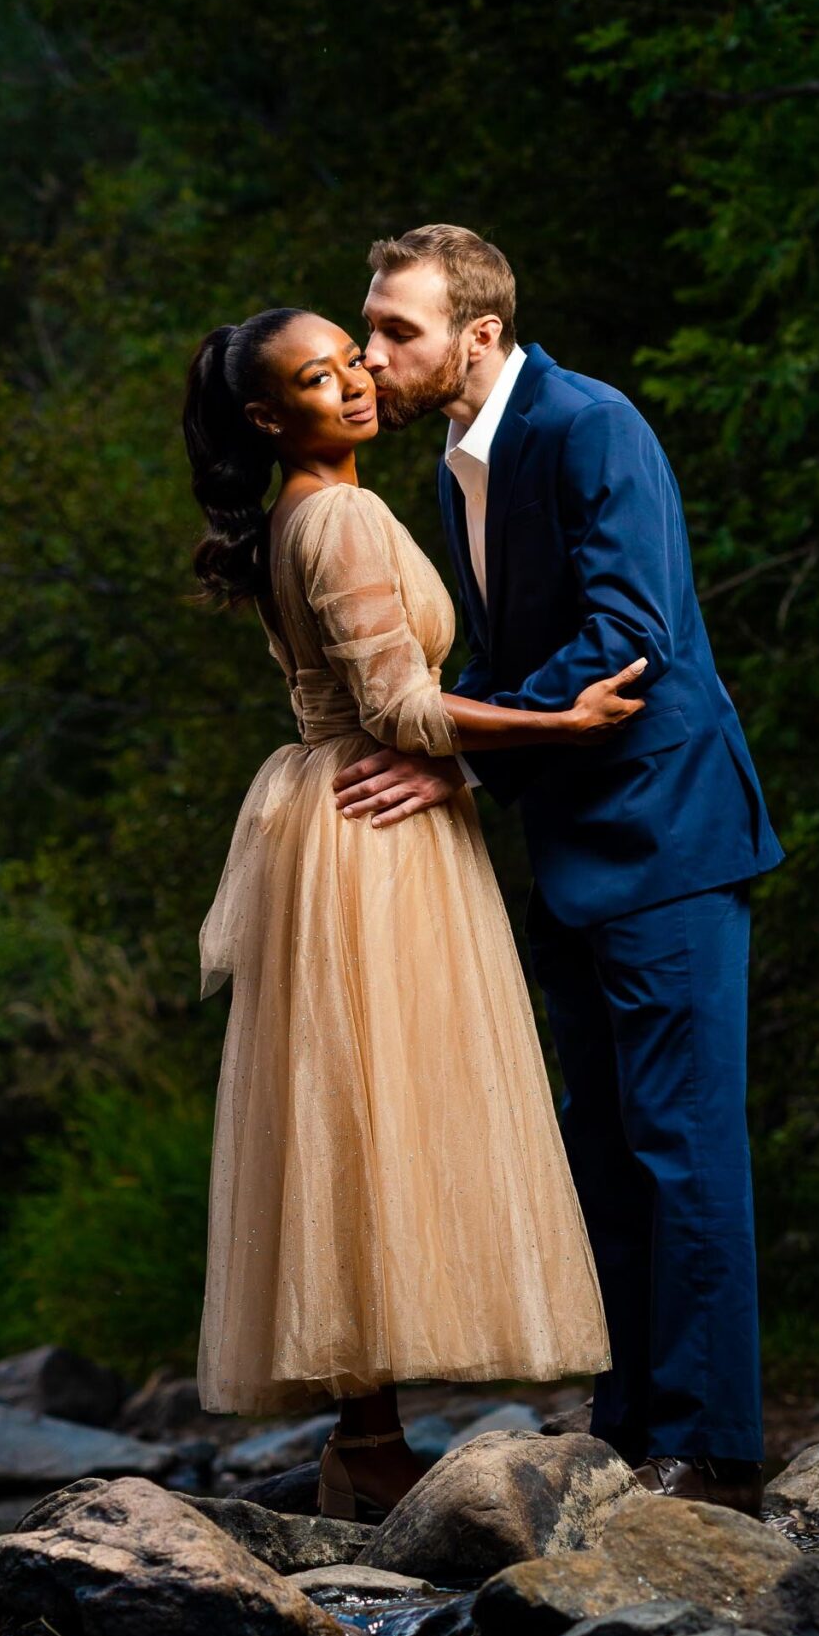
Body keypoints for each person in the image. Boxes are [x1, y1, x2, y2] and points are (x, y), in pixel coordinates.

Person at [182, 306, 646, 1519]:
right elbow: (398, 710)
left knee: (355, 1113)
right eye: (314, 378)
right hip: (372, 832)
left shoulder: (301, 512)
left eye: (350, 361)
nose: (351, 386)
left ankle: (364, 1438)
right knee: (378, 1115)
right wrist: (560, 723)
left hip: (336, 822)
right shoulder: (333, 514)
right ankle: (371, 1444)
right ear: (265, 416)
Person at [347, 226, 784, 1513]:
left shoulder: (592, 426)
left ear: (478, 335)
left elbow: (629, 640)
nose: (374, 354)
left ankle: (713, 1458)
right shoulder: (453, 466)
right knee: (603, 1147)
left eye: (398, 331)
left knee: (683, 1148)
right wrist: (452, 739)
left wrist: (465, 763)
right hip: (576, 849)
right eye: (369, 327)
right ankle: (633, 1424)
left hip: (670, 836)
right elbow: (504, 652)